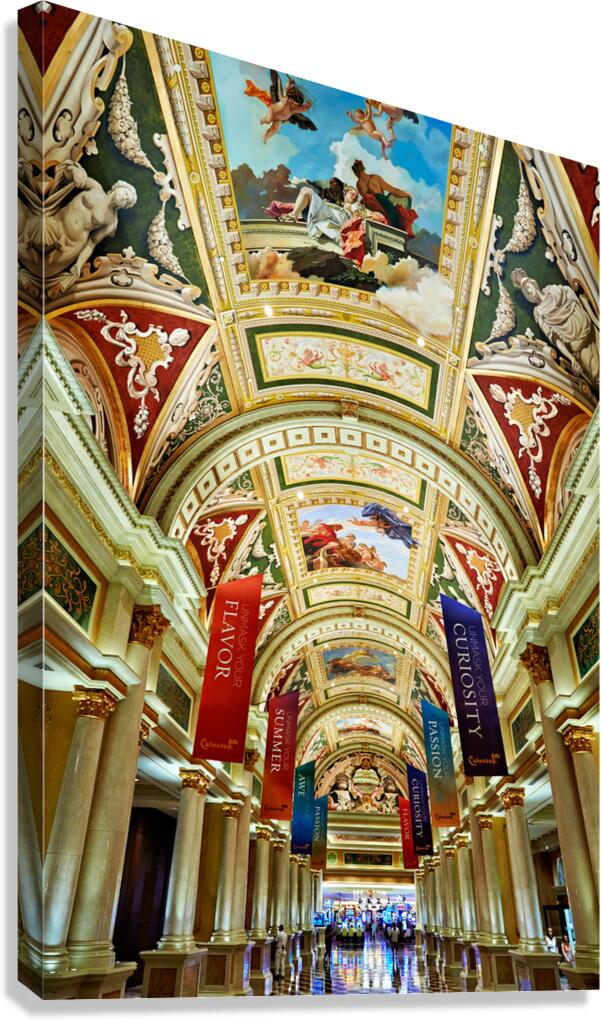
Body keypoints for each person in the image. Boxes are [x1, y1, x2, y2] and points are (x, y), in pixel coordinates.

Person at [351, 159, 418, 238]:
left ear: (355, 173)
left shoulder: (359, 184)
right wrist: (406, 195)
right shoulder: (374, 177)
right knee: (396, 223)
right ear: (363, 168)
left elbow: (367, 200)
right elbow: (393, 190)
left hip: (374, 210)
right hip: (384, 204)